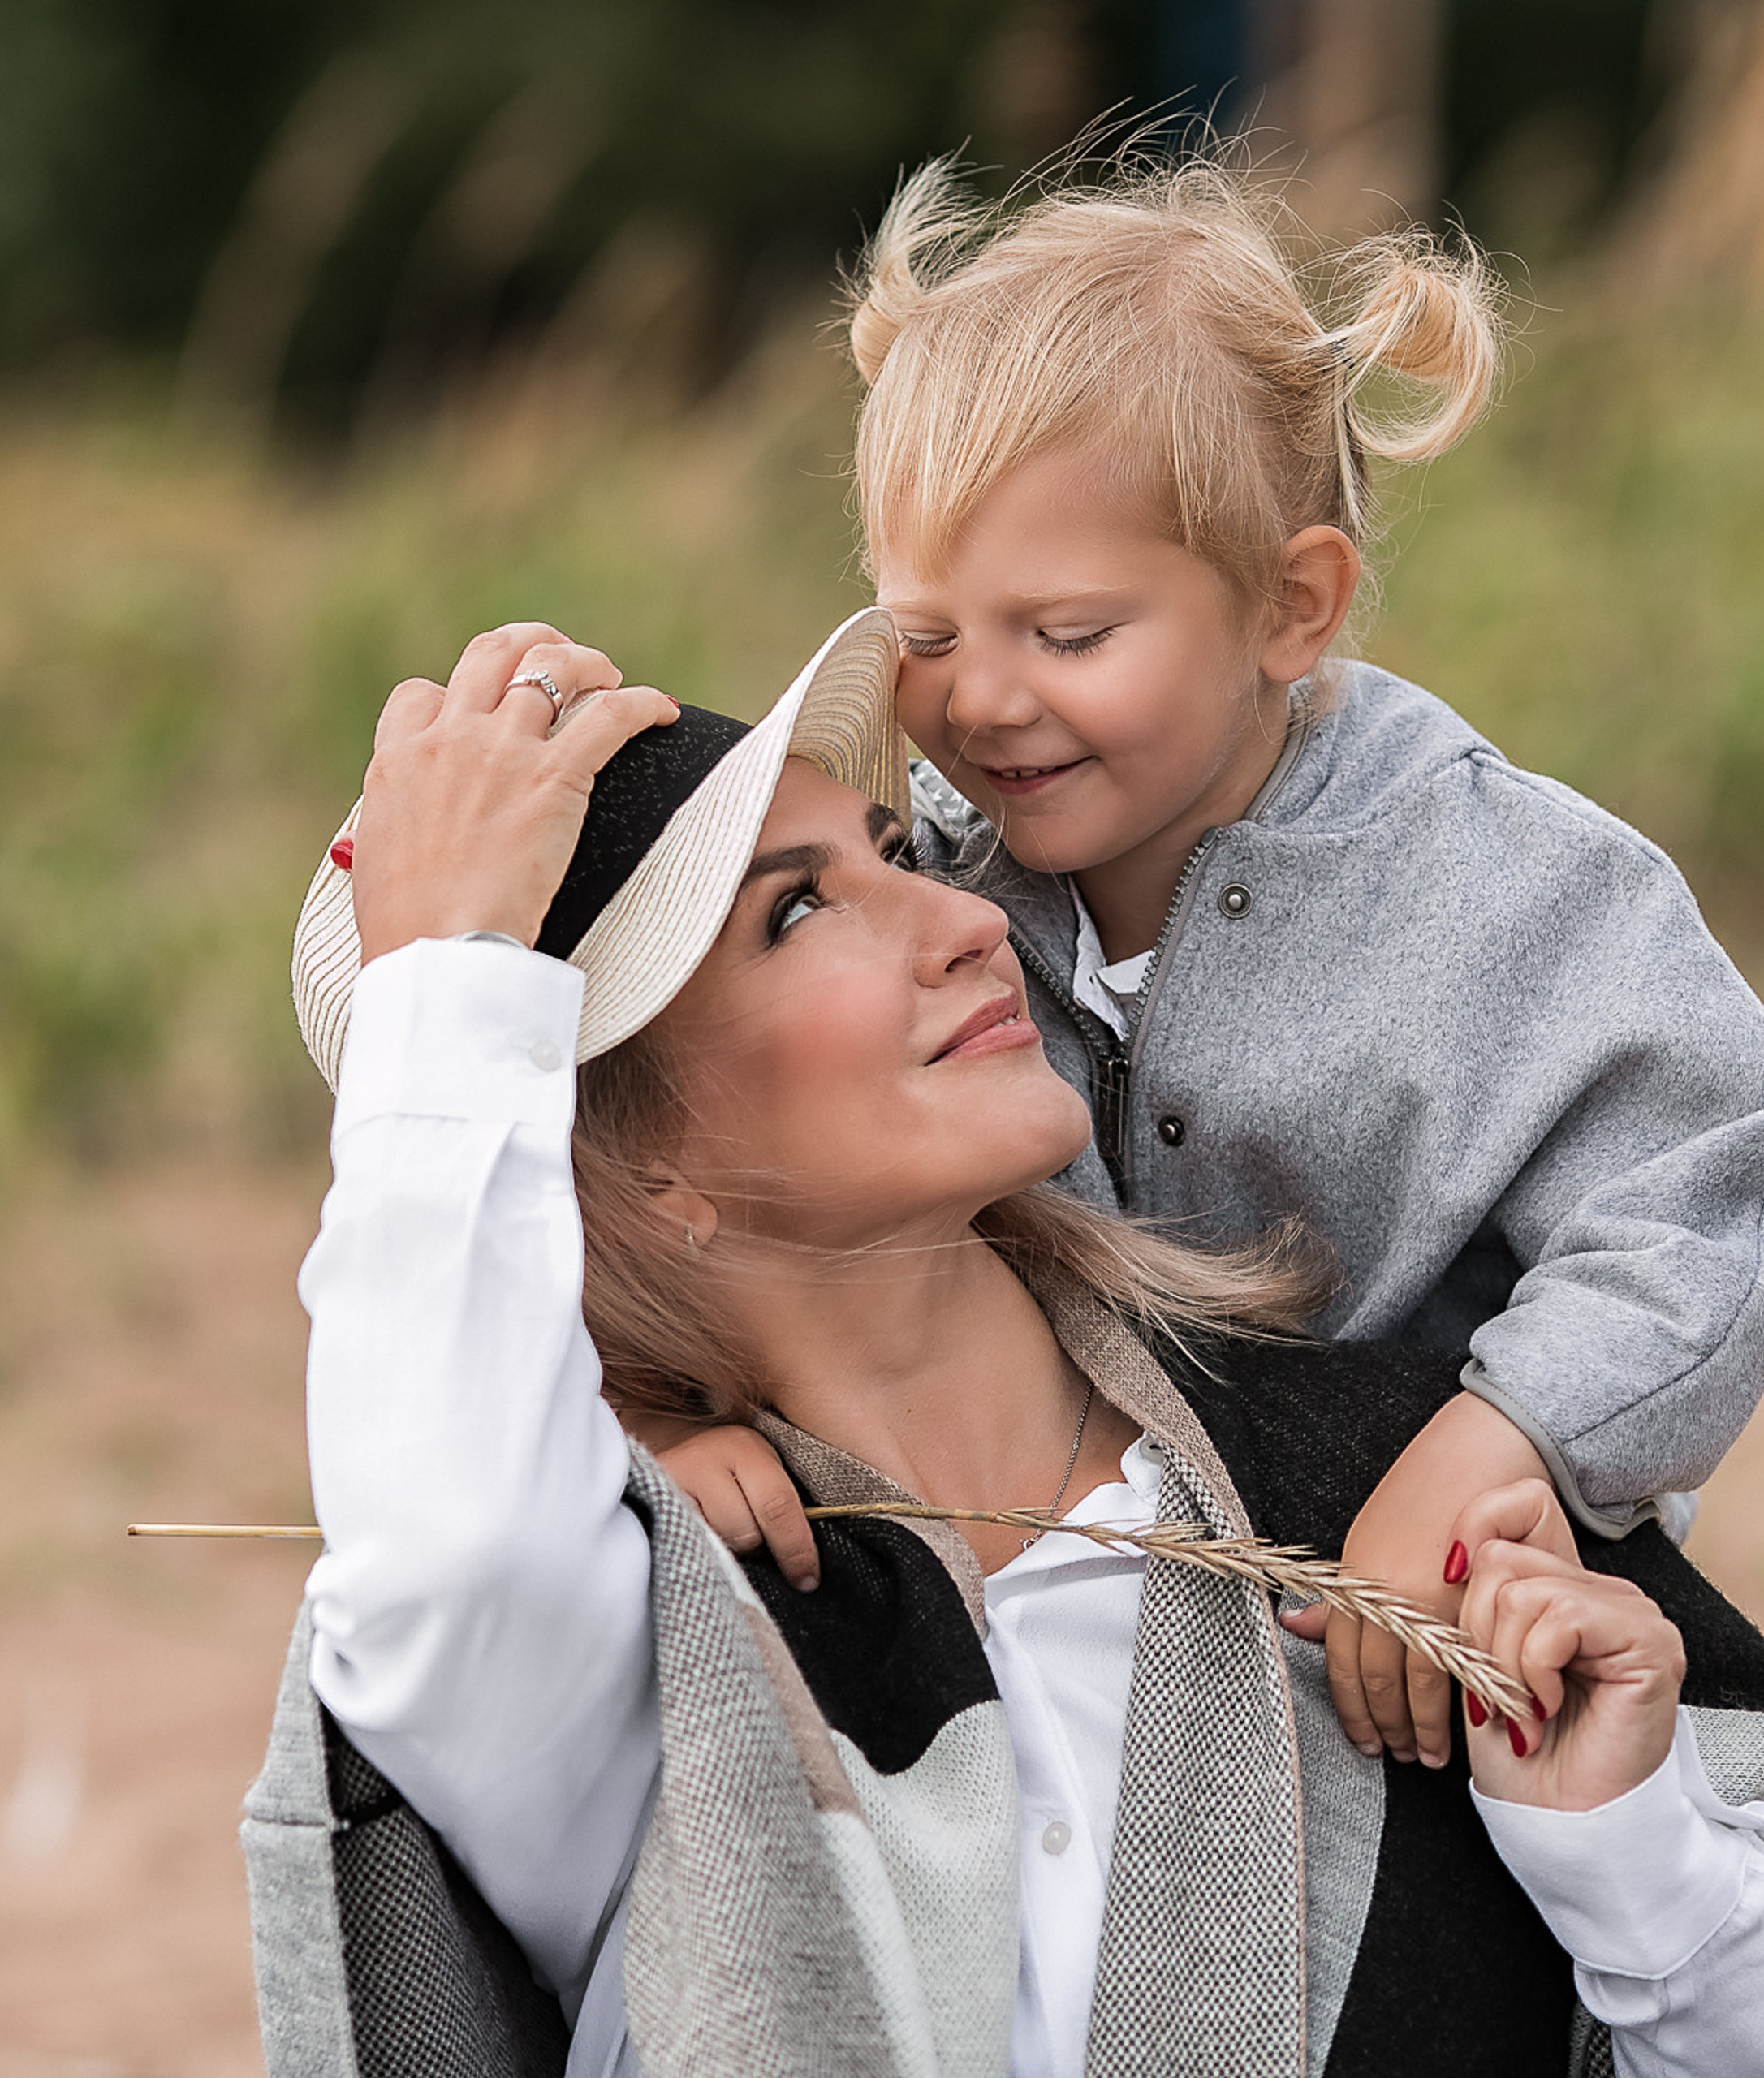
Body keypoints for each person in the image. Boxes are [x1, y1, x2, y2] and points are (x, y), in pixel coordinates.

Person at [251, 614, 1764, 2078]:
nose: (972, 921)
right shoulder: (658, 1642)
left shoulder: (1390, 1499)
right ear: (645, 1171)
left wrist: (1638, 1873)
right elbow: (442, 1540)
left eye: (898, 854)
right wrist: (447, 965)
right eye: (800, 909)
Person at [602, 153, 1764, 1775]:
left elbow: (1711, 1190)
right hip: (1106, 1602)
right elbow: (715, 1170)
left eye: (1065, 635)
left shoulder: (1496, 882)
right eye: (925, 638)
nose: (984, 701)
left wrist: (1507, 1430)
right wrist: (652, 1411)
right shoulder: (933, 880)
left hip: (1460, 1601)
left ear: (1290, 607)